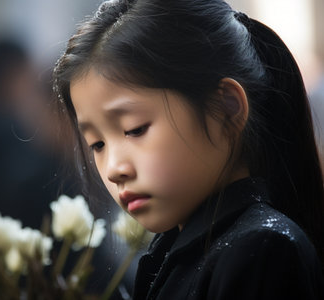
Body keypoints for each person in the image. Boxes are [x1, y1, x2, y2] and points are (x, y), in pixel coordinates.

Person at [51, 0, 324, 299]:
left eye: (135, 129)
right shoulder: (180, 249)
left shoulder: (261, 250)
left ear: (226, 109)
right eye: (97, 144)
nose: (115, 169)